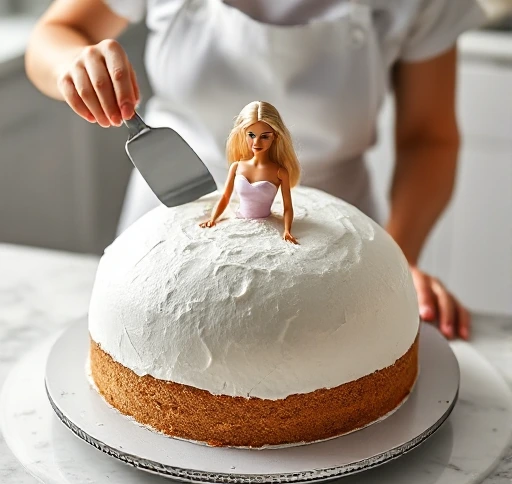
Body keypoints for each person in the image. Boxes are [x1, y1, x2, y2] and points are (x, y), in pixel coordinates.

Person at [24, 0, 486, 341]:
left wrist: (396, 260)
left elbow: (429, 140)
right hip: (166, 224)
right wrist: (71, 62)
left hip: (339, 242)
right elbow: (58, 31)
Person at [199, 100, 300, 244]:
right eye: (251, 135)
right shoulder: (237, 166)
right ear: (244, 134)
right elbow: (225, 197)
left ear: (275, 137)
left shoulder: (280, 172)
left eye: (264, 136)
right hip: (238, 221)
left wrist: (287, 231)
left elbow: (288, 207)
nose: (257, 143)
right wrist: (213, 219)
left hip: (266, 226)